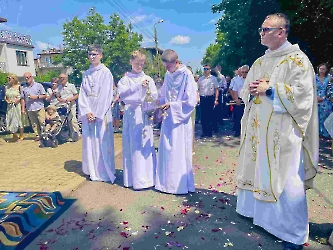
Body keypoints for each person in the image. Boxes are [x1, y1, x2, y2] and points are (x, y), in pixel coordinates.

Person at [236, 13, 318, 250]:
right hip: (258, 131)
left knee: (286, 178)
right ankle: (259, 216)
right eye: (261, 30)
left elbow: (304, 96)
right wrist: (251, 90)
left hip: (283, 132)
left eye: (265, 29)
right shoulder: (260, 62)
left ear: (280, 32)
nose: (261, 33)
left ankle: (291, 231)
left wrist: (270, 89)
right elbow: (246, 91)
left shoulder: (298, 60)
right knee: (257, 170)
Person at [155, 49, 197, 194]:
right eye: (165, 66)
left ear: (176, 62)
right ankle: (165, 183)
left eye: (169, 66)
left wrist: (172, 105)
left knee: (178, 151)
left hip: (180, 119)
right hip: (168, 119)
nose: (167, 69)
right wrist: (158, 102)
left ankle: (179, 185)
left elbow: (191, 100)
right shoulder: (168, 74)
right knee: (167, 149)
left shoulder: (186, 74)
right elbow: (164, 93)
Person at [117, 49, 157, 190]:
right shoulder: (125, 79)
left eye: (142, 63)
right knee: (132, 145)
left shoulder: (148, 78)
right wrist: (137, 86)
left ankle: (147, 178)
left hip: (144, 114)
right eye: (137, 63)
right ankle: (133, 179)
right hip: (131, 114)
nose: (139, 66)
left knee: (144, 144)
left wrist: (150, 102)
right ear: (131, 62)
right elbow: (123, 95)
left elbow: (154, 96)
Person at [78, 44, 116, 183]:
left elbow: (106, 95)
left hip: (101, 114)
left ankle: (104, 171)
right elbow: (82, 94)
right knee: (90, 142)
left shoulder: (106, 73)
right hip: (89, 112)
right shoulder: (86, 73)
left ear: (101, 55)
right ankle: (92, 170)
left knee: (102, 142)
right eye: (90, 54)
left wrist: (97, 114)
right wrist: (87, 112)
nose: (92, 56)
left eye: (94, 54)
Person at [21, 72, 46, 141]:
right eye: (25, 78)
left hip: (39, 107)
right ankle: (37, 135)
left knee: (42, 122)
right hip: (30, 108)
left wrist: (36, 97)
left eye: (28, 77)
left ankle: (44, 134)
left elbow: (44, 95)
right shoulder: (24, 87)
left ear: (31, 77)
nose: (27, 79)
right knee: (34, 123)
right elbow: (22, 98)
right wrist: (23, 109)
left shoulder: (38, 85)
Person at [197, 64, 219, 138]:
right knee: (203, 116)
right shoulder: (200, 79)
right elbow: (197, 89)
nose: (206, 70)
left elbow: (216, 89)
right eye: (204, 69)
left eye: (207, 69)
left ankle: (209, 132)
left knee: (210, 115)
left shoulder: (213, 79)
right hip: (203, 98)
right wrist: (198, 98)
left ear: (210, 70)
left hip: (210, 98)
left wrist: (216, 99)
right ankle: (204, 132)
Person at [57, 73, 80, 141]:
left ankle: (77, 134)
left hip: (71, 105)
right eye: (60, 78)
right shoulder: (59, 87)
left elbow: (76, 95)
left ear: (66, 78)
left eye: (63, 78)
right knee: (67, 121)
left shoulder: (71, 86)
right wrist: (61, 100)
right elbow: (58, 97)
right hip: (63, 105)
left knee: (73, 120)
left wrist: (70, 99)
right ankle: (71, 135)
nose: (62, 79)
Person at [5, 74, 25, 142]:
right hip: (10, 106)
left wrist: (22, 107)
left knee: (19, 120)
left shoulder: (19, 87)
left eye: (10, 78)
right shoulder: (7, 87)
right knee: (10, 120)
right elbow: (6, 97)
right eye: (8, 78)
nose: (8, 80)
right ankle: (14, 135)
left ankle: (21, 135)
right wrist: (7, 100)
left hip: (17, 106)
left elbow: (22, 97)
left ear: (14, 79)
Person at [230, 65, 248, 137]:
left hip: (249, 101)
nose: (244, 74)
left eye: (246, 72)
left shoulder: (252, 79)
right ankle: (238, 132)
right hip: (240, 100)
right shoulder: (237, 80)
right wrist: (236, 99)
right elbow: (234, 90)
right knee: (238, 117)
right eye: (242, 72)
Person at [316, 63, 332, 138]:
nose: (322, 71)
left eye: (323, 69)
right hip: (316, 100)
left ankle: (326, 135)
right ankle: (316, 134)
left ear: (326, 70)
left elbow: (331, 89)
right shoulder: (314, 77)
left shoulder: (329, 78)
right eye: (320, 69)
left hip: (326, 101)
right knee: (316, 117)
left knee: (326, 117)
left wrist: (325, 97)